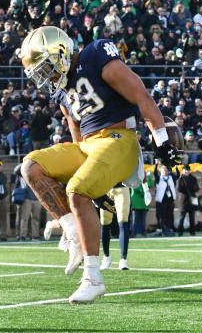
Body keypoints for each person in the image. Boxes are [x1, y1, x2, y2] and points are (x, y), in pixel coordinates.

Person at [19, 26, 181, 304]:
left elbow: (140, 93)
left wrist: (161, 139)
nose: (46, 77)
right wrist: (94, 177)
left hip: (119, 139)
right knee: (30, 167)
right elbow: (76, 133)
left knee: (77, 190)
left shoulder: (94, 55)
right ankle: (73, 233)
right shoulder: (61, 92)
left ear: (60, 53)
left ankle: (93, 277)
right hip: (88, 146)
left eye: (46, 68)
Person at [99, 183, 132, 270]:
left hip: (121, 187)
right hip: (105, 188)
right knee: (104, 222)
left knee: (123, 220)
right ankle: (106, 257)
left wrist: (146, 188)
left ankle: (123, 259)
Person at [153, 162, 179, 236]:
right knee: (161, 216)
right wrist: (156, 165)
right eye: (163, 170)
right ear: (161, 171)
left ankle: (169, 229)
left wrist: (176, 168)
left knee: (169, 215)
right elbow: (155, 173)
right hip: (161, 201)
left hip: (169, 200)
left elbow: (177, 175)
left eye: (166, 170)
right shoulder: (159, 178)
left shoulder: (171, 177)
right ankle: (161, 229)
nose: (165, 171)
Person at [177, 164, 199, 236]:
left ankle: (192, 232)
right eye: (185, 170)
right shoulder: (180, 179)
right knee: (181, 218)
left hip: (192, 200)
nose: (186, 171)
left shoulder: (193, 178)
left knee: (192, 218)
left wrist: (192, 188)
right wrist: (187, 189)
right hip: (183, 201)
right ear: (182, 171)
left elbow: (197, 188)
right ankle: (180, 232)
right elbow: (179, 189)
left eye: (188, 170)